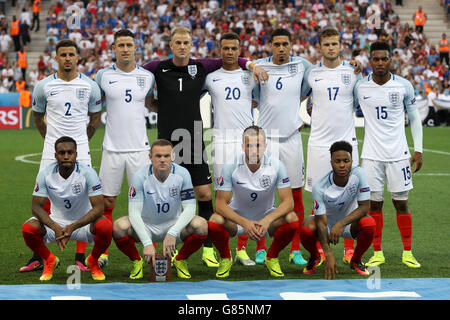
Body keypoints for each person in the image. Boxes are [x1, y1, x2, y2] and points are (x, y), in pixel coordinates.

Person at [143, 26, 267, 268]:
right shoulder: (157, 67)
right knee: (168, 193)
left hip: (194, 140)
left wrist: (252, 65)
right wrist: (162, 108)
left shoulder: (201, 68)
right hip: (167, 143)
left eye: (186, 42)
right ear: (170, 44)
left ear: (192, 44)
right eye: (177, 42)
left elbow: (232, 57)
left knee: (204, 194)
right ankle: (166, 251)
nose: (182, 46)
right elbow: (136, 75)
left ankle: (208, 248)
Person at [21, 39, 102, 273]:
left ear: (78, 58)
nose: (67, 58)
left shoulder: (90, 86)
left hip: (82, 152)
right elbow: (38, 117)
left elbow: (95, 118)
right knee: (42, 200)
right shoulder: (43, 85)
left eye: (71, 54)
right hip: (50, 151)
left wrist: (82, 142)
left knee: (84, 200)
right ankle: (39, 255)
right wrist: (51, 142)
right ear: (55, 58)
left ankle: (79, 256)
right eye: (63, 54)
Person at [354, 41, 423, 268]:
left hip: (399, 155)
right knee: (374, 206)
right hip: (371, 156)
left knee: (400, 204)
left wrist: (418, 149)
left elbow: (414, 118)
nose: (380, 62)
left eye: (384, 59)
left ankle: (407, 252)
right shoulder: (360, 86)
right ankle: (378, 252)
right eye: (376, 59)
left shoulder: (403, 86)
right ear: (370, 60)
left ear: (391, 60)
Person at [95, 29, 155, 268]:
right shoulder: (103, 76)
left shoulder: (147, 77)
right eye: (120, 45)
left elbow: (151, 102)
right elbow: (94, 107)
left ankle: (145, 252)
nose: (125, 49)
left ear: (135, 47)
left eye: (129, 44)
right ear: (114, 49)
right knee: (106, 202)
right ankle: (103, 252)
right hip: (111, 148)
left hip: (139, 149)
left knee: (143, 202)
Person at [253, 28, 312, 266]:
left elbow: (316, 84)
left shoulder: (302, 66)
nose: (280, 48)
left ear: (291, 45)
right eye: (276, 44)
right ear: (270, 46)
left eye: (284, 44)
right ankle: (260, 247)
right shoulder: (258, 66)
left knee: (296, 195)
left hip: (291, 139)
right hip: (266, 141)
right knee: (262, 195)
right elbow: (253, 97)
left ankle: (295, 249)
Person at [304, 28, 363, 265]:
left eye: (334, 43)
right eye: (326, 44)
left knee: (351, 198)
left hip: (347, 145)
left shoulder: (352, 72)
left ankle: (350, 252)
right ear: (320, 47)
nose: (331, 47)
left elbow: (361, 102)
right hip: (318, 145)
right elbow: (296, 98)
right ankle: (318, 252)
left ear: (341, 45)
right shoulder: (311, 73)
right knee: (318, 200)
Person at [208, 126, 299, 278]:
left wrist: (266, 220)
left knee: (292, 219)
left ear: (265, 146)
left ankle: (272, 257)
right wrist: (245, 223)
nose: (254, 150)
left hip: (266, 219)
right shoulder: (231, 166)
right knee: (214, 221)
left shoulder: (277, 165)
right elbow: (220, 204)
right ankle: (226, 258)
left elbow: (288, 202)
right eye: (249, 145)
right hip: (238, 220)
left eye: (258, 145)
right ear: (243, 146)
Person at [203, 31, 261, 266]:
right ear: (220, 50)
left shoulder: (250, 76)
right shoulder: (210, 78)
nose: (229, 52)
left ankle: (242, 250)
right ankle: (224, 252)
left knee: (246, 195)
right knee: (223, 198)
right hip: (220, 143)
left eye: (233, 48)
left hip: (247, 142)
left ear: (239, 50)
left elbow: (259, 100)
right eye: (225, 48)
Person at [112, 139, 208, 280]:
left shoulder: (183, 174)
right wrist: (146, 242)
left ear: (173, 157)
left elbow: (190, 207)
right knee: (118, 227)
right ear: (150, 157)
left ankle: (180, 260)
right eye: (158, 156)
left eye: (166, 156)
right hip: (146, 226)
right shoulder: (140, 176)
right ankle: (136, 261)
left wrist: (173, 233)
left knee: (202, 225)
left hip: (174, 225)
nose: (162, 160)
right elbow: (134, 213)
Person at [21, 136, 112, 281]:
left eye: (70, 152)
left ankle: (93, 261)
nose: (66, 156)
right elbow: (36, 207)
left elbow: (99, 208)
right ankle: (49, 260)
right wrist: (55, 226)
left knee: (106, 226)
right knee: (28, 229)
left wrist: (73, 226)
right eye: (62, 153)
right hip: (56, 222)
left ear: (76, 154)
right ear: (55, 155)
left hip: (83, 224)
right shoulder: (45, 174)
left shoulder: (88, 173)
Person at [300, 141, 376, 278]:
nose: (342, 165)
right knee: (306, 227)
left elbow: (365, 207)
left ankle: (356, 260)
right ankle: (315, 256)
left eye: (346, 161)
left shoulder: (359, 174)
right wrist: (328, 253)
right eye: (337, 161)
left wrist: (341, 223)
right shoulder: (320, 187)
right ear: (331, 163)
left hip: (348, 225)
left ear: (351, 161)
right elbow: (321, 222)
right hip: (326, 226)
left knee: (369, 223)